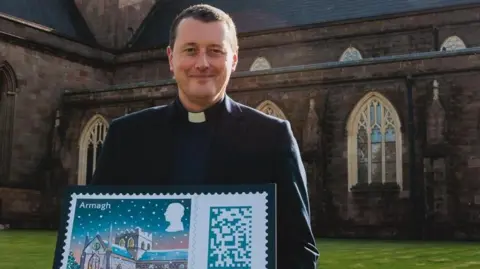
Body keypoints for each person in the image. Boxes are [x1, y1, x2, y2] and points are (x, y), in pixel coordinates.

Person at [90, 4, 319, 268]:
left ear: (233, 60)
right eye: (190, 50)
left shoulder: (273, 136)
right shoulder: (126, 136)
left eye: (215, 51)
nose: (202, 63)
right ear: (171, 59)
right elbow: (94, 227)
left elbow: (299, 249)